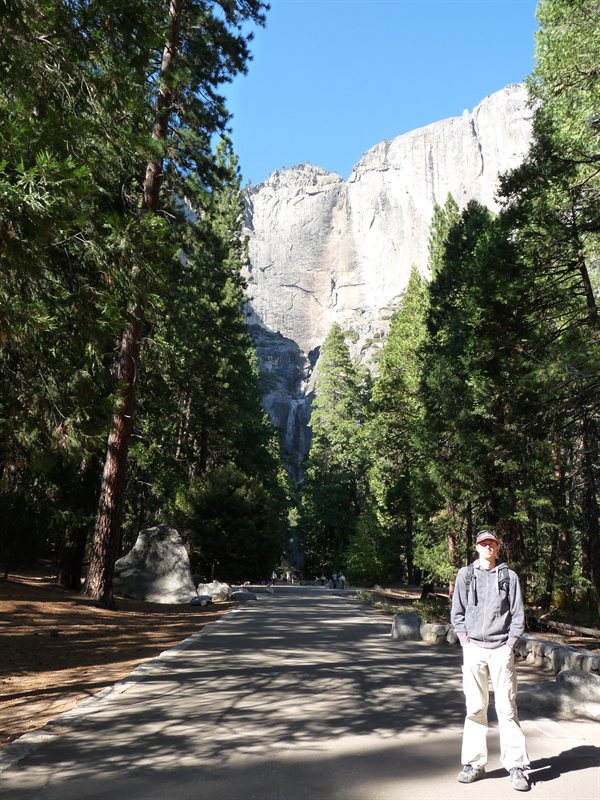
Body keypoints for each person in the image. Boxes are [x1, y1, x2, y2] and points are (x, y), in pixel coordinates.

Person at [450, 529, 530, 793]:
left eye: (491, 543)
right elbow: (457, 612)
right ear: (476, 547)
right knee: (475, 708)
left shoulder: (509, 576)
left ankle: (516, 766)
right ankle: (474, 764)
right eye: (483, 543)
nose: (487, 547)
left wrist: (509, 645)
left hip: (500, 651)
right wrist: (465, 641)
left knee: (507, 709)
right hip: (474, 649)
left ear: (498, 547)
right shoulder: (465, 575)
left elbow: (517, 614)